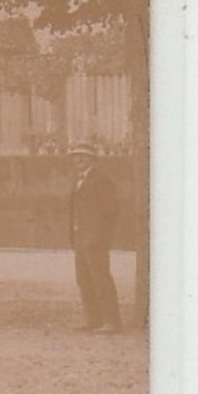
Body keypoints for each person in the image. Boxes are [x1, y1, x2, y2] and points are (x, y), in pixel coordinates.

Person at [68, 140, 121, 333]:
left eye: (83, 156)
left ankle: (112, 322)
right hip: (81, 237)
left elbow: (110, 211)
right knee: (84, 279)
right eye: (75, 156)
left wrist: (98, 235)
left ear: (92, 159)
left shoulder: (101, 180)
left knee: (100, 278)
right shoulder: (79, 180)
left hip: (95, 239)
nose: (78, 159)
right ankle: (93, 320)